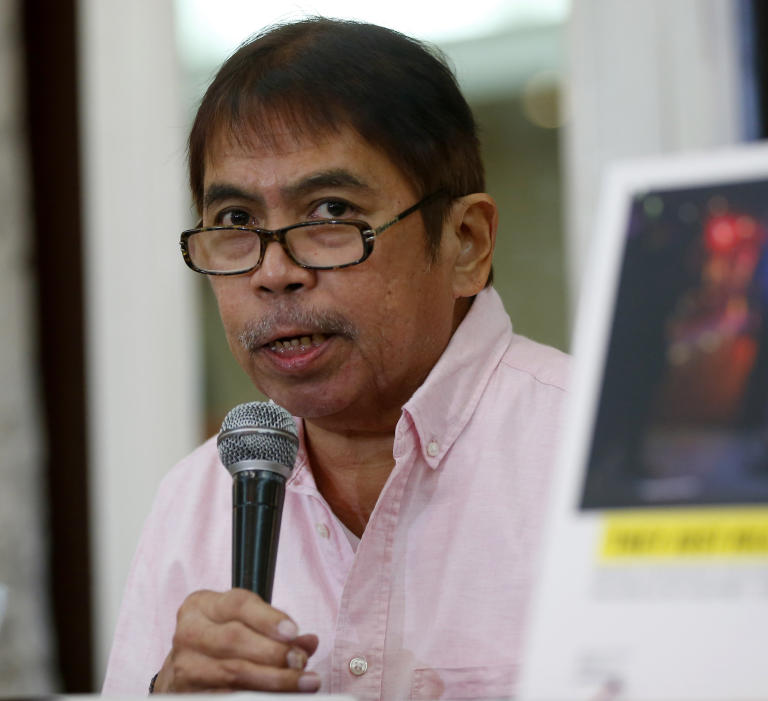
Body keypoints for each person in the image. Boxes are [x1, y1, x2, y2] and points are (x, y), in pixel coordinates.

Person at [101, 16, 568, 700]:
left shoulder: (603, 454)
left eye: (327, 210)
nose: (274, 271)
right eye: (234, 223)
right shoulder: (195, 500)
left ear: (465, 242)